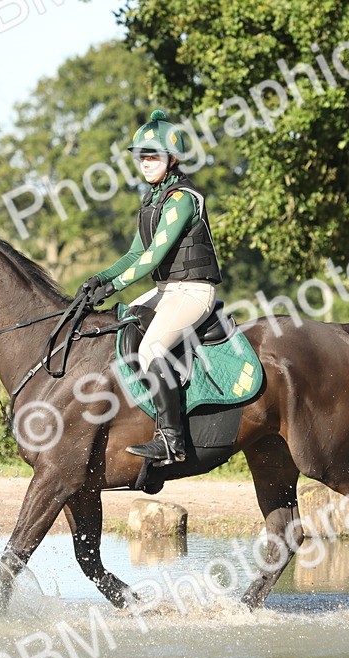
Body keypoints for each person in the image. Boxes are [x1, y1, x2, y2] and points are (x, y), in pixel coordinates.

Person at [78, 109, 222, 465]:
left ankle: (172, 441)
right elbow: (134, 254)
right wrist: (100, 278)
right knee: (120, 325)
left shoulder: (182, 199)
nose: (145, 162)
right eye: (141, 156)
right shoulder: (153, 199)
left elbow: (154, 256)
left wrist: (114, 286)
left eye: (153, 156)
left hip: (193, 291)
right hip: (168, 291)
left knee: (152, 350)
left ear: (172, 159)